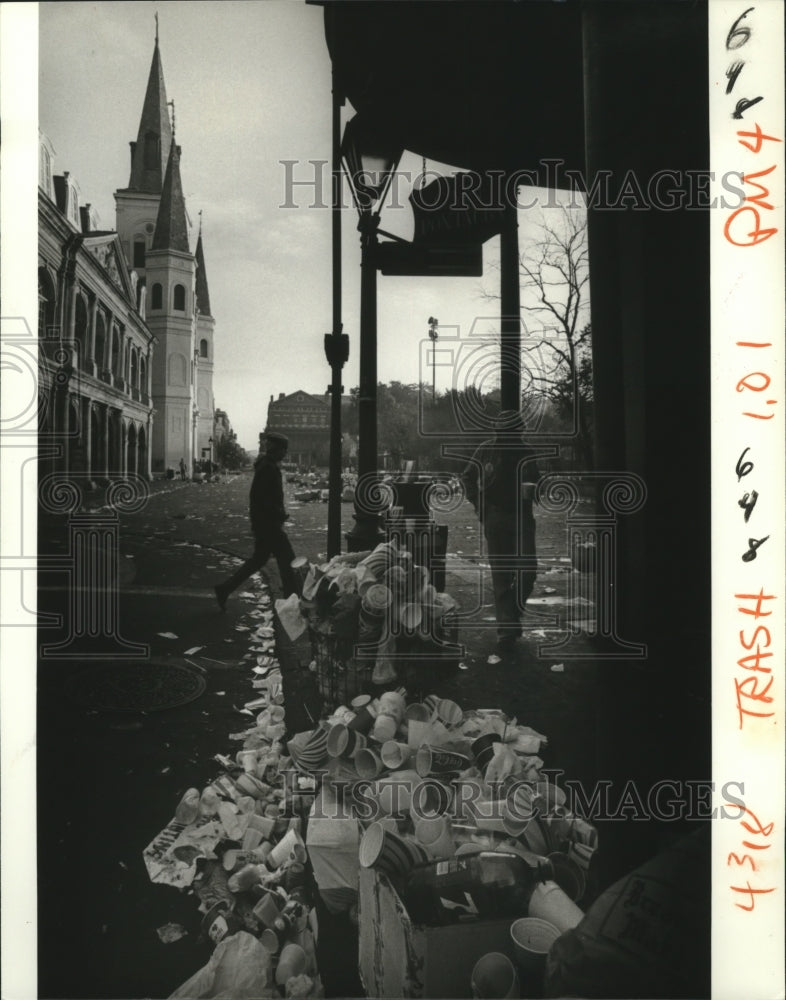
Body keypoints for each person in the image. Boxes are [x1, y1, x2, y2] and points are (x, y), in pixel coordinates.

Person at [462, 411, 542, 651]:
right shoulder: (487, 449)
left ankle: (511, 616)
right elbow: (467, 476)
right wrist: (480, 505)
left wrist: (534, 489)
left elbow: (538, 481)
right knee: (502, 575)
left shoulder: (527, 452)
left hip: (522, 517)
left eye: (511, 432)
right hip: (495, 516)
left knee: (528, 571)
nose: (506, 435)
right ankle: (506, 629)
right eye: (502, 432)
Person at [214, 431, 299, 610]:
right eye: (283, 450)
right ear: (276, 450)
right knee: (288, 559)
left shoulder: (265, 466)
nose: (285, 454)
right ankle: (293, 600)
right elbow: (264, 498)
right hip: (269, 524)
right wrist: (279, 514)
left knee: (259, 560)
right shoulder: (269, 468)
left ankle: (224, 589)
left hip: (264, 523)